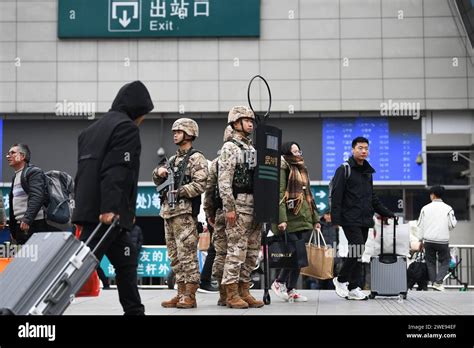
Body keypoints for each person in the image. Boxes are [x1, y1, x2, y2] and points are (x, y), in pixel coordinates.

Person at [72, 80, 154, 315]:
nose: (143, 119)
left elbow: (84, 173)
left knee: (126, 263)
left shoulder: (90, 130)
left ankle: (135, 312)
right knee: (78, 268)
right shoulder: (126, 128)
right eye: (144, 113)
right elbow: (117, 170)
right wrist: (110, 209)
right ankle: (41, 310)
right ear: (137, 109)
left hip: (95, 212)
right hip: (106, 216)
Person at [331, 136, 395, 300]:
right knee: (357, 247)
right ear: (353, 150)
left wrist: (387, 212)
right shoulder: (344, 169)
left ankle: (354, 288)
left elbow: (372, 198)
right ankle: (341, 279)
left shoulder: (367, 172)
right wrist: (335, 219)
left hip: (365, 219)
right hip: (349, 218)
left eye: (366, 148)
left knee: (358, 253)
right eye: (360, 148)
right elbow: (336, 195)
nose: (363, 151)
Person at [153, 118, 208, 309]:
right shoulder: (172, 160)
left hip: (185, 214)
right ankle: (180, 293)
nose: (175, 134)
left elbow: (201, 184)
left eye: (179, 131)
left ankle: (190, 295)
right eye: (174, 132)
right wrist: (158, 173)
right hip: (168, 213)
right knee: (174, 256)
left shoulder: (196, 158)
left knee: (187, 255)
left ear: (189, 134)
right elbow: (157, 181)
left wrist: (182, 191)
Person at [218, 106, 263, 309]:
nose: (250, 123)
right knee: (236, 250)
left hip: (255, 206)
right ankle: (230, 293)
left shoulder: (252, 149)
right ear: (236, 123)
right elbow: (224, 180)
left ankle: (245, 290)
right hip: (238, 205)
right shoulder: (230, 148)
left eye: (251, 120)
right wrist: (229, 207)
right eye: (246, 120)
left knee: (252, 252)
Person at [270, 141, 320, 302]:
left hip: (302, 219)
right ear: (287, 153)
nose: (298, 154)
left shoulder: (301, 168)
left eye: (299, 150)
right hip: (289, 220)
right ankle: (279, 282)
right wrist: (282, 219)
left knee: (300, 257)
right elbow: (279, 195)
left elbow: (309, 196)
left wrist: (315, 219)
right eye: (294, 151)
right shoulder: (283, 168)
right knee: (295, 255)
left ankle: (290, 289)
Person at [202, 126, 233, 305]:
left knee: (227, 253)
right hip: (225, 213)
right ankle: (226, 293)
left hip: (230, 212)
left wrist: (209, 213)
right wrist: (209, 213)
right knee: (224, 253)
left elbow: (208, 190)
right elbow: (210, 189)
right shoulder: (217, 163)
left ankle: (230, 292)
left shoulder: (216, 162)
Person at [7, 143, 56, 244]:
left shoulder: (33, 172)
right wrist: (13, 230)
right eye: (8, 153)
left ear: (22, 156)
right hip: (21, 226)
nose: (8, 156)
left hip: (34, 225)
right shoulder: (16, 176)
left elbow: (37, 196)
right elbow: (13, 206)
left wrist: (27, 219)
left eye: (12, 153)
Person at [417, 185, 457, 291]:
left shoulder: (425, 208)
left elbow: (420, 225)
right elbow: (452, 224)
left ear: (433, 195)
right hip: (442, 240)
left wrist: (420, 240)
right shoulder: (448, 208)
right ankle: (438, 282)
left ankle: (435, 282)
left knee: (430, 262)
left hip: (428, 240)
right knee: (446, 260)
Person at [311, 209, 338, 290]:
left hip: (332, 251)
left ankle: (331, 289)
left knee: (332, 272)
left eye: (330, 215)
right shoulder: (320, 226)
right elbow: (315, 240)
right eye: (327, 214)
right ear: (324, 215)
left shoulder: (336, 226)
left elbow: (338, 240)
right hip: (322, 252)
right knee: (322, 273)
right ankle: (321, 288)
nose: (329, 217)